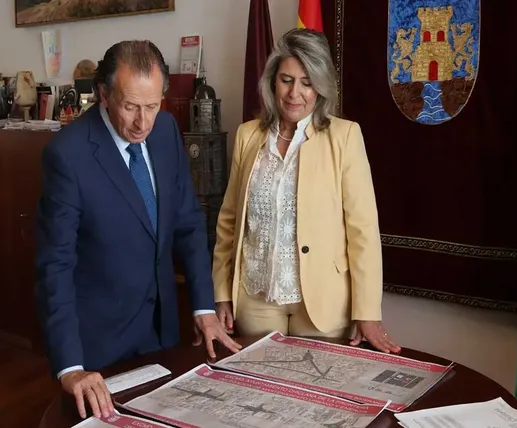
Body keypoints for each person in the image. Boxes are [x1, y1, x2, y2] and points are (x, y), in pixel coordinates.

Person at [35, 40, 241, 420]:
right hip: (100, 345)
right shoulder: (67, 154)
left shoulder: (165, 130)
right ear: (104, 94)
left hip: (162, 332)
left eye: (152, 106)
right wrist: (70, 366)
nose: (142, 123)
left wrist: (203, 307)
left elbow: (188, 223)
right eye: (130, 106)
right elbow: (55, 266)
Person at [212, 28, 401, 354]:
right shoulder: (247, 136)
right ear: (272, 81)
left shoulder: (345, 137)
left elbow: (363, 230)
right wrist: (221, 292)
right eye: (286, 80)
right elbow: (229, 222)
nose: (294, 93)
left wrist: (367, 312)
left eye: (307, 82)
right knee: (258, 383)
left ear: (320, 87)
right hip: (255, 298)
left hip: (323, 303)